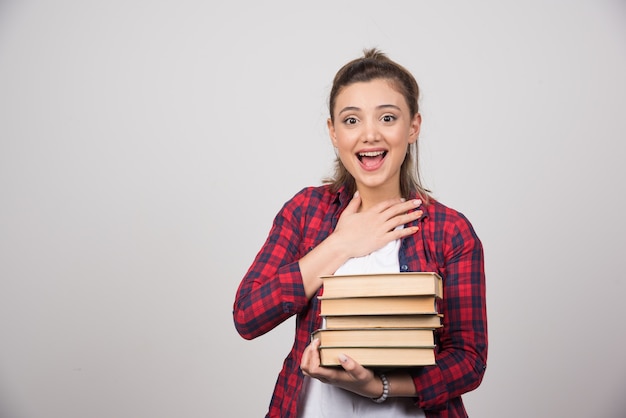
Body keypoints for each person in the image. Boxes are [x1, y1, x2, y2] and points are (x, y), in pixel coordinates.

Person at [233, 48, 487, 418]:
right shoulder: (306, 211)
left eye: (387, 117)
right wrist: (340, 245)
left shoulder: (450, 231)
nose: (369, 134)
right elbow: (248, 315)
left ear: (413, 126)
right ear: (333, 133)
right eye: (351, 121)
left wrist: (379, 387)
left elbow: (469, 360)